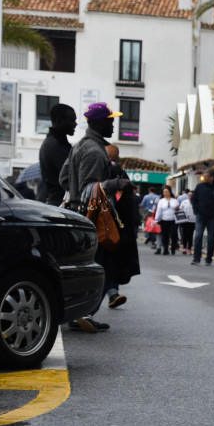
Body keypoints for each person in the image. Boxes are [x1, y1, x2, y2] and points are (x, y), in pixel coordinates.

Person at [60, 102, 131, 332]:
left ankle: (81, 314)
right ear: (99, 122)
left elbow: (64, 178)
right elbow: (89, 188)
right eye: (110, 120)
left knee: (91, 266)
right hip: (92, 218)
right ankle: (85, 313)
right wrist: (116, 183)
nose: (113, 124)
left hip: (79, 214)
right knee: (101, 267)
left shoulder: (81, 145)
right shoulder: (93, 150)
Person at [104, 143, 140, 309]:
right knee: (111, 260)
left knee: (105, 259)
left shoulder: (101, 168)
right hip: (116, 225)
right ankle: (111, 292)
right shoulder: (120, 173)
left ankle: (110, 293)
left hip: (101, 220)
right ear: (117, 157)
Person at [37, 103, 75, 206]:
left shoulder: (52, 142)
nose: (75, 124)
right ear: (59, 121)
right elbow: (71, 175)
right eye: (71, 121)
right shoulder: (56, 145)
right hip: (60, 202)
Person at [191, 169, 214, 266]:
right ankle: (196, 258)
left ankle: (208, 259)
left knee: (210, 238)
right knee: (198, 236)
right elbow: (193, 200)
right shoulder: (199, 187)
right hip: (200, 215)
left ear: (212, 178)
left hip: (212, 217)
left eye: (207, 176)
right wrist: (196, 211)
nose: (205, 177)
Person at [153, 186, 179, 255]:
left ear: (170, 192)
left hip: (173, 220)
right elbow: (159, 211)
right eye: (164, 192)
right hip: (164, 220)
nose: (165, 193)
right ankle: (165, 249)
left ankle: (173, 247)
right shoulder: (161, 201)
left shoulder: (175, 201)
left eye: (167, 192)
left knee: (174, 235)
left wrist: (178, 208)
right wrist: (156, 219)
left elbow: (179, 210)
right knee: (165, 235)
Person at [176, 189, 195, 254]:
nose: (190, 196)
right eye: (189, 195)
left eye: (191, 195)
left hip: (192, 221)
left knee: (190, 235)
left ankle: (189, 248)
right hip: (184, 221)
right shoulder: (184, 202)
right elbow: (180, 210)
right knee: (184, 235)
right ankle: (184, 248)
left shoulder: (195, 203)